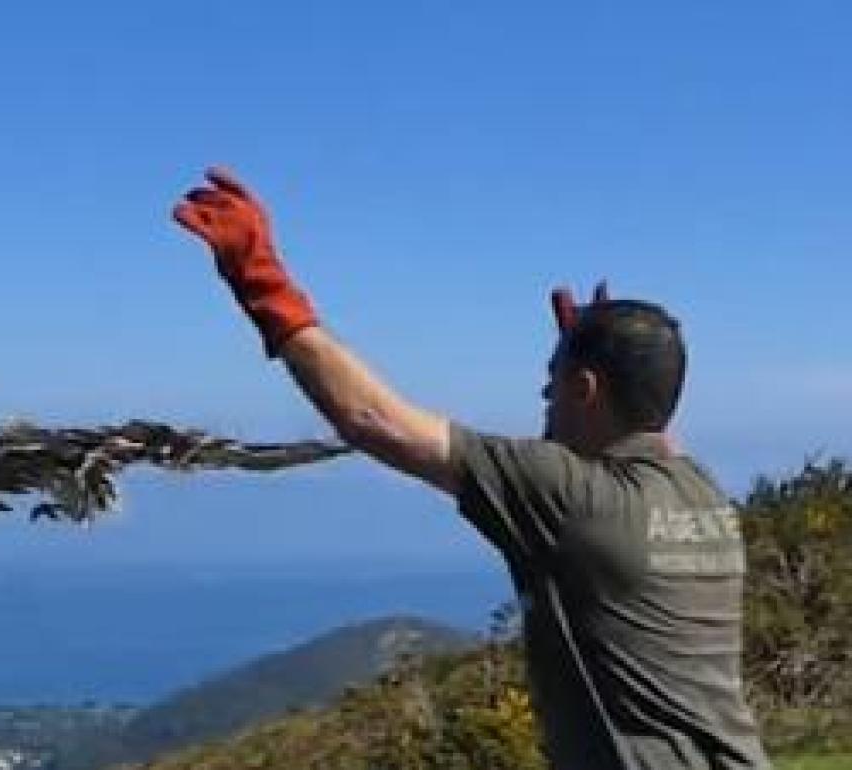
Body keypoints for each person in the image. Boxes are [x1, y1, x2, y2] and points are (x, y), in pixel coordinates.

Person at [172, 167, 771, 770]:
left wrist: (261, 278)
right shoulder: (702, 492)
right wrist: (593, 354)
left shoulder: (570, 500)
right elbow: (649, 420)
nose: (543, 400)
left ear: (587, 390)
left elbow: (372, 418)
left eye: (551, 386)